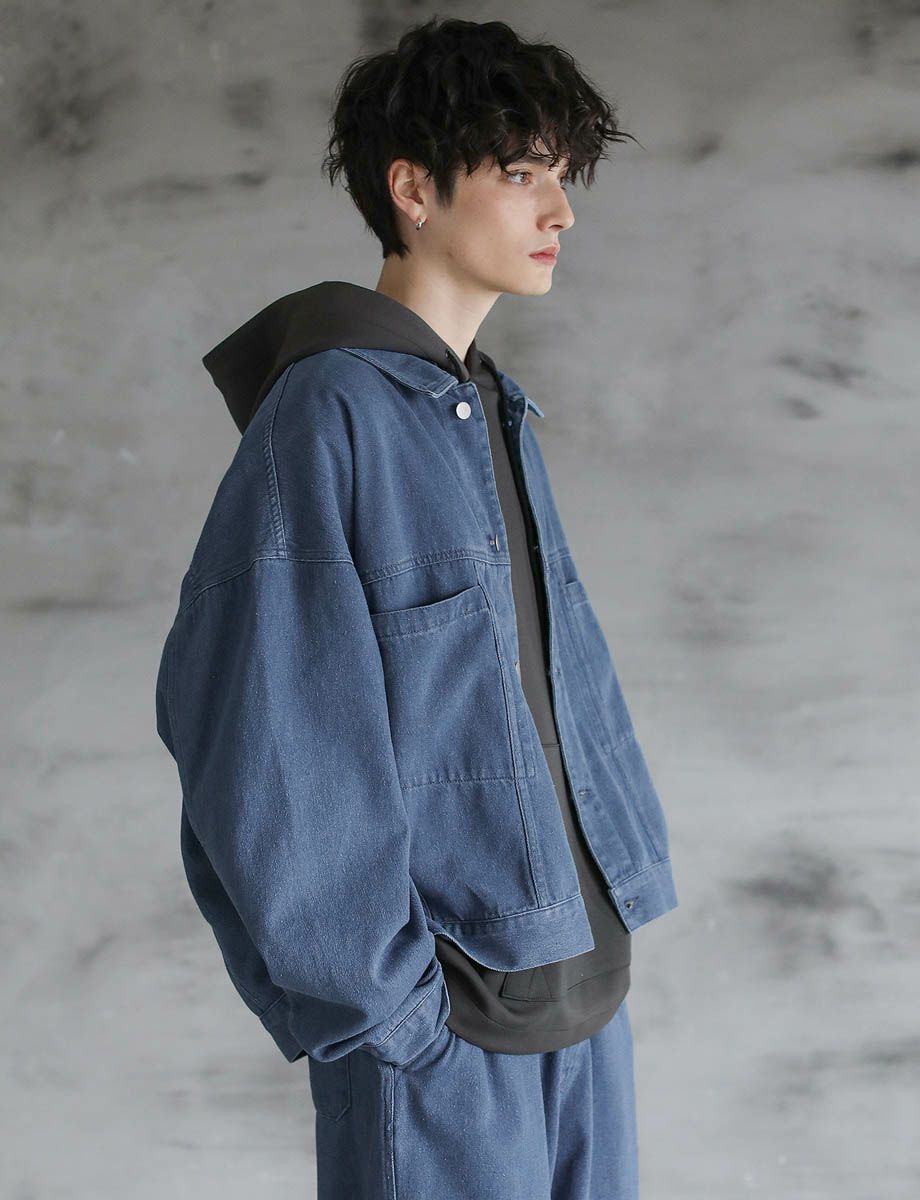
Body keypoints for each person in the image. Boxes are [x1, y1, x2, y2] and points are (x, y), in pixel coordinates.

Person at [155, 16, 678, 1198]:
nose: (560, 211)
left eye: (562, 175)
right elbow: (259, 737)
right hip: (448, 1039)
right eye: (522, 172)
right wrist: (388, 1013)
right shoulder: (325, 417)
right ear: (413, 190)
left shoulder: (486, 405)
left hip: (583, 1001)